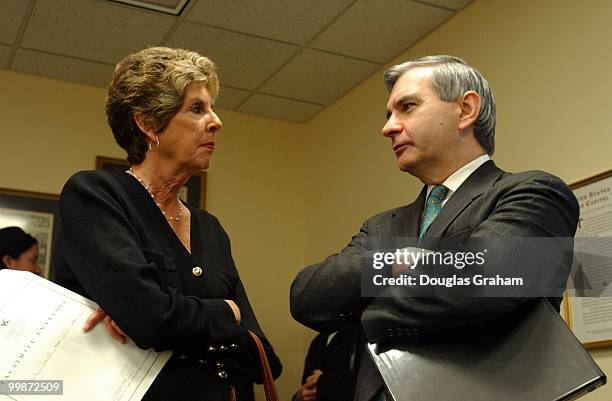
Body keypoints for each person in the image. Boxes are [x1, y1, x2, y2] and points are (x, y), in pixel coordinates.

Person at [290, 55, 579, 401]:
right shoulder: (382, 226)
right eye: (388, 115)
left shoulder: (533, 193)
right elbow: (309, 296)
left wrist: (366, 310)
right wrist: (396, 262)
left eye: (407, 107)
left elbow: (479, 279)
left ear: (466, 109)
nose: (388, 128)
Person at [53, 47, 281, 401]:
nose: (216, 121)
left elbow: (264, 357)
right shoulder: (96, 195)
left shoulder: (210, 228)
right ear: (147, 124)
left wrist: (163, 320)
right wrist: (226, 313)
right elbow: (152, 319)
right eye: (196, 109)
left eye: (211, 108)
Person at [292, 319, 365, 401]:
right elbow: (306, 386)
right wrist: (299, 396)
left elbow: (368, 384)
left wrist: (323, 383)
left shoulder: (362, 333)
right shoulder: (318, 341)